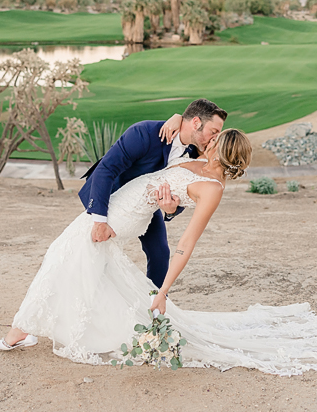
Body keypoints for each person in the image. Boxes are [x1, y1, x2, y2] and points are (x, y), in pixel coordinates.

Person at [0, 129, 317, 376]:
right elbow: (169, 188)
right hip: (125, 210)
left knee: (63, 256)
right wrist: (168, 200)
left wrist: (163, 291)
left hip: (119, 216)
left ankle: (17, 332)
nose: (207, 143)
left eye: (214, 142)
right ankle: (35, 328)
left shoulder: (212, 189)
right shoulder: (198, 165)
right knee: (72, 262)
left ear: (222, 151)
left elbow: (186, 243)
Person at [81, 98, 227, 287]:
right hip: (109, 194)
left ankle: (154, 305)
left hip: (146, 202)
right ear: (196, 123)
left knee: (160, 252)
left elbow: (185, 188)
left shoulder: (194, 153)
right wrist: (99, 219)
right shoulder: (144, 133)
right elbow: (106, 169)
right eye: (213, 132)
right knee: (100, 249)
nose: (214, 139)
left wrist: (171, 209)